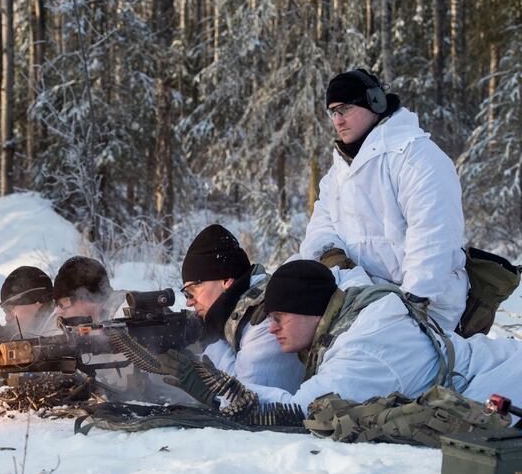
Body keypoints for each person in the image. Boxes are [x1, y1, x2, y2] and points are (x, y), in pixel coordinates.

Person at [190, 260, 522, 414]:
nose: (272, 328)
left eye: (279, 317)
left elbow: (304, 410)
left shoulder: (365, 347)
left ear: (310, 311)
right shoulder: (350, 320)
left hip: (505, 386)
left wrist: (227, 390)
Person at [300, 68, 467, 332]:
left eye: (344, 108)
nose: (338, 121)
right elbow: (321, 228)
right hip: (360, 298)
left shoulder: (416, 157)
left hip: (423, 307)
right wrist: (331, 256)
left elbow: (433, 238)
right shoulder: (337, 174)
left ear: (375, 103)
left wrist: (412, 305)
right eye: (332, 112)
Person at [178, 224, 304, 393]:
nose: (189, 302)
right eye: (186, 295)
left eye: (192, 291)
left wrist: (211, 342)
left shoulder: (265, 321)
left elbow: (249, 404)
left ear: (226, 281)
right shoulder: (237, 311)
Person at [52, 256, 127, 322]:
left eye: (65, 301)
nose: (58, 311)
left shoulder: (126, 315)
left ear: (88, 297)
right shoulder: (96, 321)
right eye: (57, 304)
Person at [0, 266, 56, 336]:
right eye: (5, 311)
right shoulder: (34, 334)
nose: (7, 318)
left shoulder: (65, 337)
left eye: (11, 308)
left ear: (38, 303)